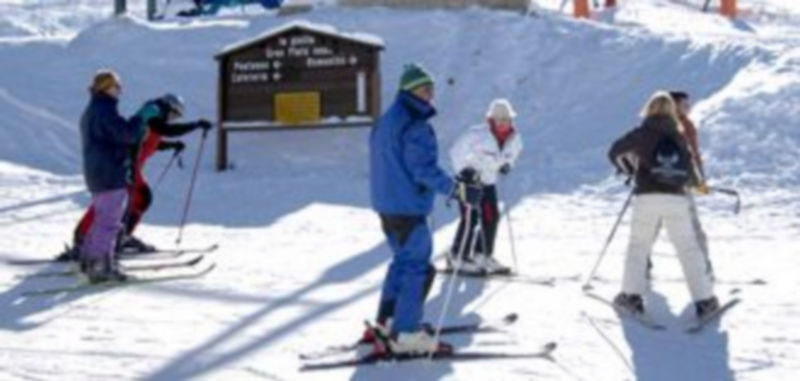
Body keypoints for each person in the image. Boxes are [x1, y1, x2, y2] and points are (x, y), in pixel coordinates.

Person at [368, 63, 481, 355]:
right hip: (407, 207)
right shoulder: (414, 125)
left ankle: (388, 320)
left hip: (388, 204)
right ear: (409, 91)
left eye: (431, 89)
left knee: (402, 263)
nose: (430, 95)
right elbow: (422, 170)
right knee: (418, 267)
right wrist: (457, 190)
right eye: (424, 89)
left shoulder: (387, 120)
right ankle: (406, 333)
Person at [607, 91, 718, 319]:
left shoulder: (641, 133)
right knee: (688, 248)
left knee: (639, 246)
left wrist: (631, 171)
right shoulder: (679, 136)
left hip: (647, 196)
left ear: (648, 109)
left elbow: (614, 151)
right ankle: (705, 301)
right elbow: (691, 171)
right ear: (671, 111)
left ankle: (631, 297)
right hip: (676, 198)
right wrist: (697, 185)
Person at [67, 94, 212, 257]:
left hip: (133, 167)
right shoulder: (154, 112)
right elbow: (165, 130)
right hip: (125, 166)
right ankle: (85, 236)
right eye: (174, 114)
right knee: (115, 201)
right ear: (169, 107)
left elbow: (149, 142)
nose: (173, 119)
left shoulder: (155, 118)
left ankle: (119, 236)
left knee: (134, 200)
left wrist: (171, 146)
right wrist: (196, 125)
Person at [78, 70, 143, 282]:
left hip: (97, 173)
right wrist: (140, 119)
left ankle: (89, 259)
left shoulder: (93, 110)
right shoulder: (105, 111)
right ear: (106, 87)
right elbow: (127, 135)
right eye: (117, 86)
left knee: (101, 218)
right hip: (109, 172)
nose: (120, 90)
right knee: (109, 221)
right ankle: (100, 266)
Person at [447, 98, 523, 275]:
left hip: (488, 182)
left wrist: (508, 164)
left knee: (491, 217)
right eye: (499, 120)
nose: (503, 123)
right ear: (491, 120)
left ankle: (483, 254)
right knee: (470, 219)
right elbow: (455, 151)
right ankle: (458, 256)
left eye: (507, 119)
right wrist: (463, 171)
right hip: (469, 183)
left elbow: (513, 154)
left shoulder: (514, 138)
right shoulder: (478, 134)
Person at [644, 91, 712, 280]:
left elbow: (694, 155)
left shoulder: (682, 125)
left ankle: (703, 265)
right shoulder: (675, 127)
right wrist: (699, 181)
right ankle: (704, 266)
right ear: (673, 106)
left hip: (667, 185)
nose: (688, 107)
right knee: (689, 226)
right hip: (674, 186)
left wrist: (701, 180)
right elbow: (690, 158)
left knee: (658, 225)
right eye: (684, 104)